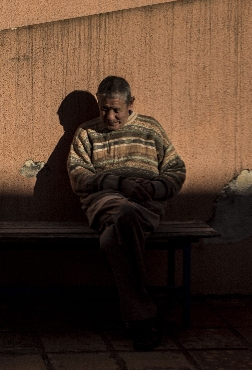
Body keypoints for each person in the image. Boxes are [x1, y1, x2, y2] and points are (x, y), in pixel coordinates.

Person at [67, 76, 186, 351]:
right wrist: (118, 183)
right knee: (124, 210)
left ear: (131, 103)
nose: (109, 116)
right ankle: (146, 316)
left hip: (146, 208)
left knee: (112, 239)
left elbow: (176, 170)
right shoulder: (86, 133)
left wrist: (155, 188)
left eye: (116, 109)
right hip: (104, 202)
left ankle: (141, 315)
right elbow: (78, 176)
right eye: (104, 109)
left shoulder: (150, 128)